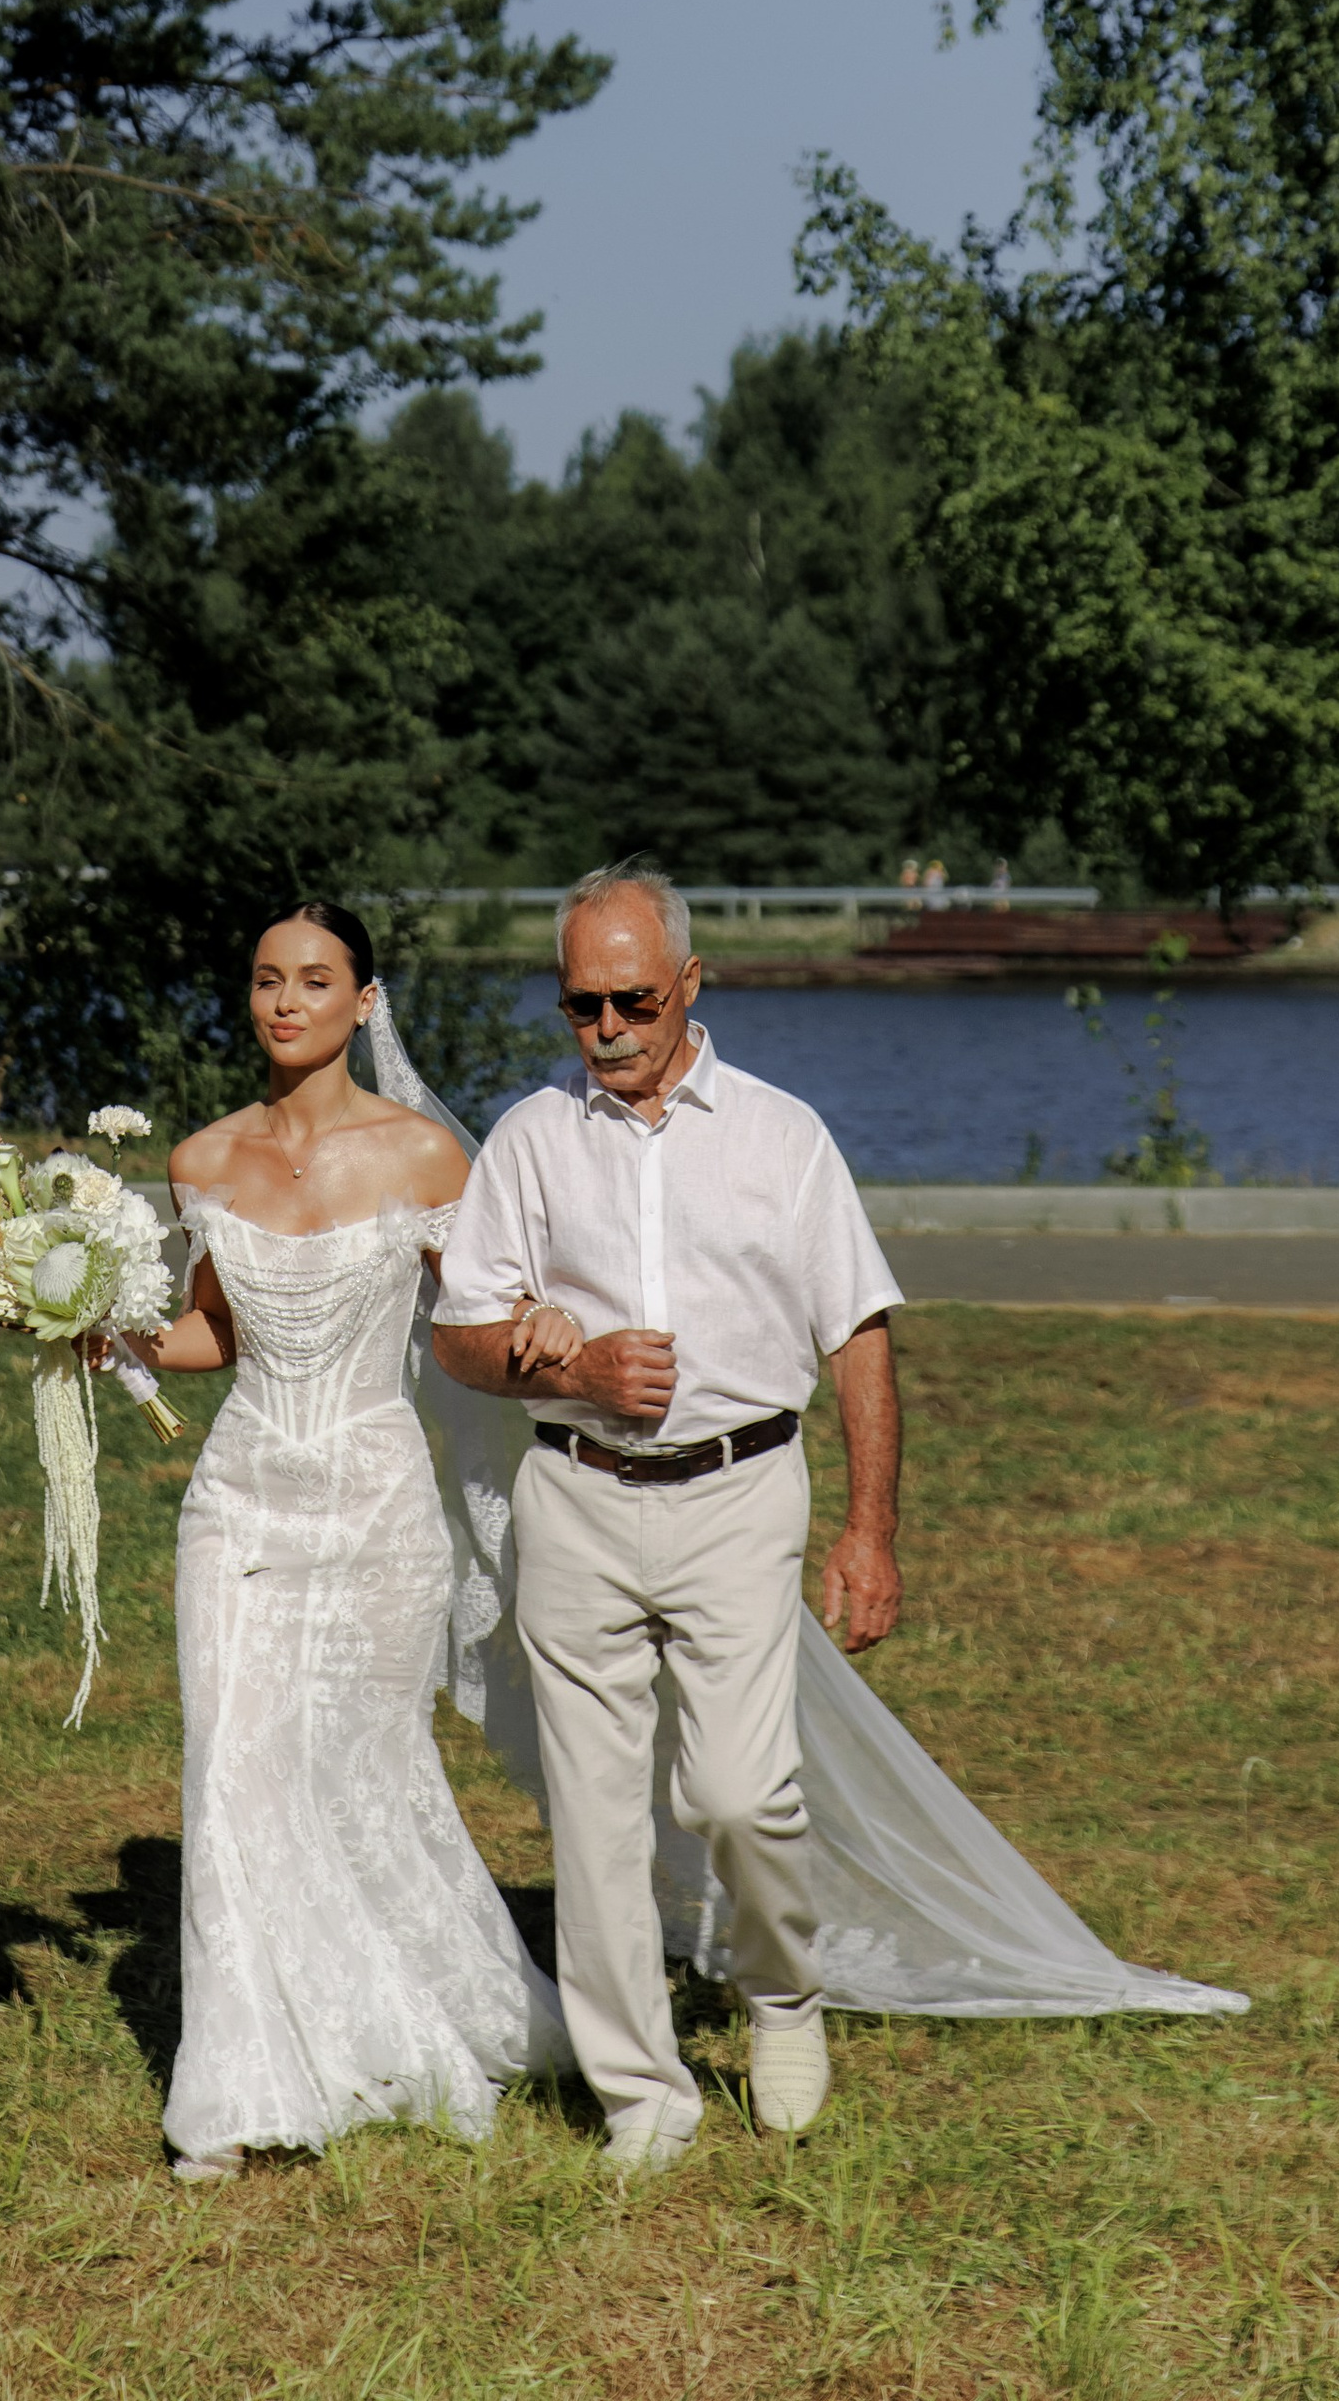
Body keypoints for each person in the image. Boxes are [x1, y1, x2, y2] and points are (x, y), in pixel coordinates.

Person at [432, 856, 903, 2171]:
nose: (608, 1031)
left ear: (690, 984)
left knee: (742, 1795)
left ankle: (783, 1994)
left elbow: (858, 1333)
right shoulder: (530, 1138)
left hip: (743, 1489)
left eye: (632, 1001)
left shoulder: (783, 1135)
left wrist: (870, 1529)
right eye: (580, 1005)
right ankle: (643, 2098)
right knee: (591, 1816)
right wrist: (565, 1369)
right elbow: (462, 1333)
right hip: (576, 1500)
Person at [120, 904, 570, 2183]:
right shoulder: (202, 1160)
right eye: (265, 978)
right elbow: (216, 1335)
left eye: (315, 979)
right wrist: (96, 1323)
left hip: (375, 1508)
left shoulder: (428, 1158)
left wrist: (549, 1328)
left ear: (364, 1000)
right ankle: (236, 2085)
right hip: (240, 1501)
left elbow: (479, 1324)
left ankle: (405, 2015)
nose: (285, 1001)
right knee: (228, 1768)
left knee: (360, 1776)